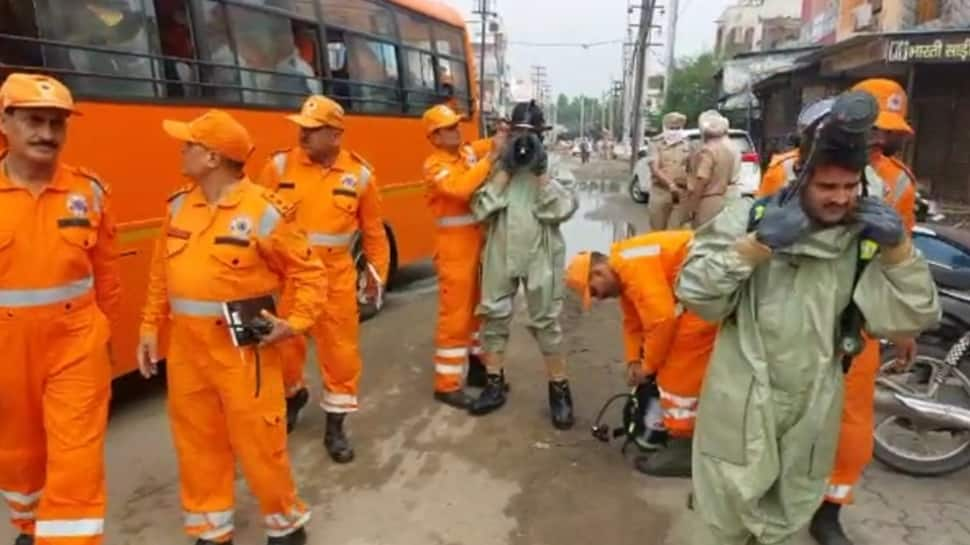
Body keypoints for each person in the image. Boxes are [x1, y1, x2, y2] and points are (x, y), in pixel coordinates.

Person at [675, 90, 940, 545]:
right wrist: (755, 247)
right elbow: (695, 291)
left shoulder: (864, 239)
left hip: (817, 396)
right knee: (725, 518)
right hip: (743, 392)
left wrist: (898, 252)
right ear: (800, 179)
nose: (839, 199)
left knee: (786, 514)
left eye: (848, 187)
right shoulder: (752, 218)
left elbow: (911, 317)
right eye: (826, 188)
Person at [138, 109, 323, 545]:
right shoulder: (179, 205)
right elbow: (160, 273)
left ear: (213, 157)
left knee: (261, 446)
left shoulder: (265, 211)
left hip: (244, 353)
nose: (181, 151)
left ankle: (285, 525)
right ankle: (211, 529)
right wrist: (149, 326)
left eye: (189, 145)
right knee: (197, 444)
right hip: (188, 351)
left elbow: (311, 274)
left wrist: (293, 323)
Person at [0, 73, 120, 545]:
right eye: (34, 120)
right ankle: (30, 528)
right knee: (18, 457)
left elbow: (107, 275)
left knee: (77, 465)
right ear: (5, 122)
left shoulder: (89, 192)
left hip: (77, 343)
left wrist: (107, 341)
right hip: (7, 351)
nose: (47, 134)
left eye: (56, 123)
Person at [808, 78, 921, 545]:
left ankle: (829, 511)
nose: (877, 139)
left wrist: (903, 325)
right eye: (871, 128)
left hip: (861, 316)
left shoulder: (897, 182)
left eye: (886, 131)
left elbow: (903, 252)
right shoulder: (793, 170)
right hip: (801, 313)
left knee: (852, 424)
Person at [257, 95, 389, 462]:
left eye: (311, 130)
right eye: (301, 127)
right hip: (290, 281)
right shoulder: (279, 167)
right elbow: (255, 220)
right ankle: (293, 395)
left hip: (335, 281)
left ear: (334, 135)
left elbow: (374, 232)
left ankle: (336, 426)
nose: (302, 134)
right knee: (283, 350)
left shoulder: (360, 176)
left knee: (341, 356)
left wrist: (377, 273)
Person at [564, 230, 719, 477]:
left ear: (599, 272)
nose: (598, 298)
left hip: (710, 291)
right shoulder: (624, 265)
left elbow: (661, 320)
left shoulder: (632, 266)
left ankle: (684, 450)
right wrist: (633, 360)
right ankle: (686, 431)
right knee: (666, 356)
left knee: (676, 372)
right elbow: (633, 322)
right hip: (703, 286)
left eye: (593, 291)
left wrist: (649, 367)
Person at [469, 100, 579, 429]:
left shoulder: (555, 166)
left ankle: (559, 391)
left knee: (546, 321)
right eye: (518, 133)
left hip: (540, 251)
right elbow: (479, 210)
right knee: (494, 316)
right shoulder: (496, 166)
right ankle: (493, 383)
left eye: (531, 135)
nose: (524, 141)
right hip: (501, 248)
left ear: (543, 136)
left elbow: (561, 210)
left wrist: (541, 172)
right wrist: (503, 169)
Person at [422, 103, 506, 409]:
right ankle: (446, 384)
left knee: (475, 315)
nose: (458, 130)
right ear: (435, 137)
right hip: (454, 251)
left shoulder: (465, 155)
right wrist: (493, 157)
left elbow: (484, 146)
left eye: (457, 125)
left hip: (475, 246)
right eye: (450, 128)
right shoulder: (435, 166)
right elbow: (461, 189)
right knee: (455, 318)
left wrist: (503, 134)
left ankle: (477, 369)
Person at [683, 110, 738, 228]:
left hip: (706, 201)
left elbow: (702, 180)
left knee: (701, 238)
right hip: (721, 199)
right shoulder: (728, 150)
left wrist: (693, 205)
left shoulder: (707, 151)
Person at [647, 112, 690, 230]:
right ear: (664, 127)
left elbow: (693, 168)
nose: (674, 131)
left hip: (681, 194)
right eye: (671, 128)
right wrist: (670, 184)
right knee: (657, 232)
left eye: (677, 128)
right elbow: (655, 168)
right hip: (661, 193)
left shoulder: (688, 143)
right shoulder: (655, 143)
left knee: (674, 234)